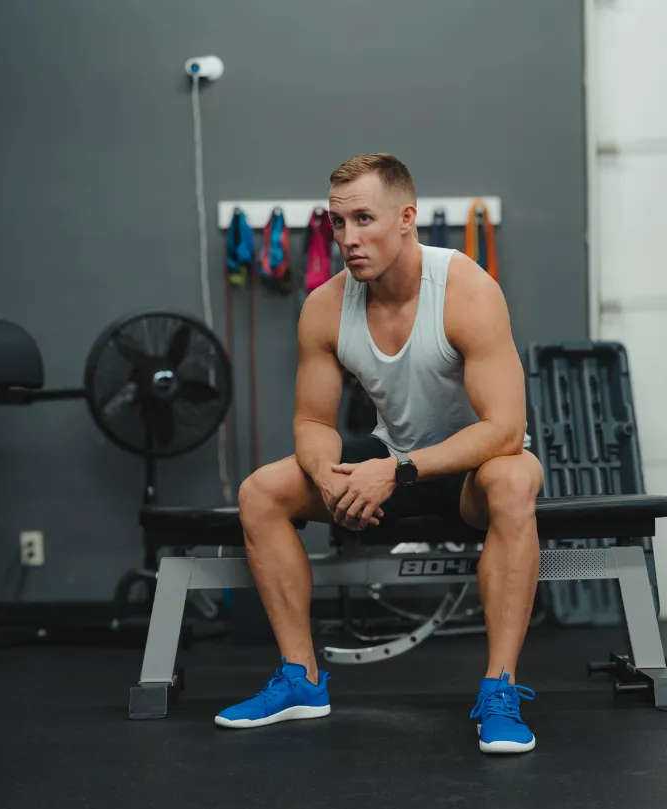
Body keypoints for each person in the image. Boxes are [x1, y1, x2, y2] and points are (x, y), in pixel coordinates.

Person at [217, 153, 544, 754]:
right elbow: (313, 421)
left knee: (516, 479)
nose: (348, 238)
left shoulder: (466, 289)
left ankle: (500, 688)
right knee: (260, 492)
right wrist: (332, 479)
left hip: (474, 465)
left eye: (364, 219)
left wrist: (396, 471)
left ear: (407, 219)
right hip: (393, 454)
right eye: (338, 223)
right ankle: (301, 679)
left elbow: (503, 427)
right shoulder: (324, 305)